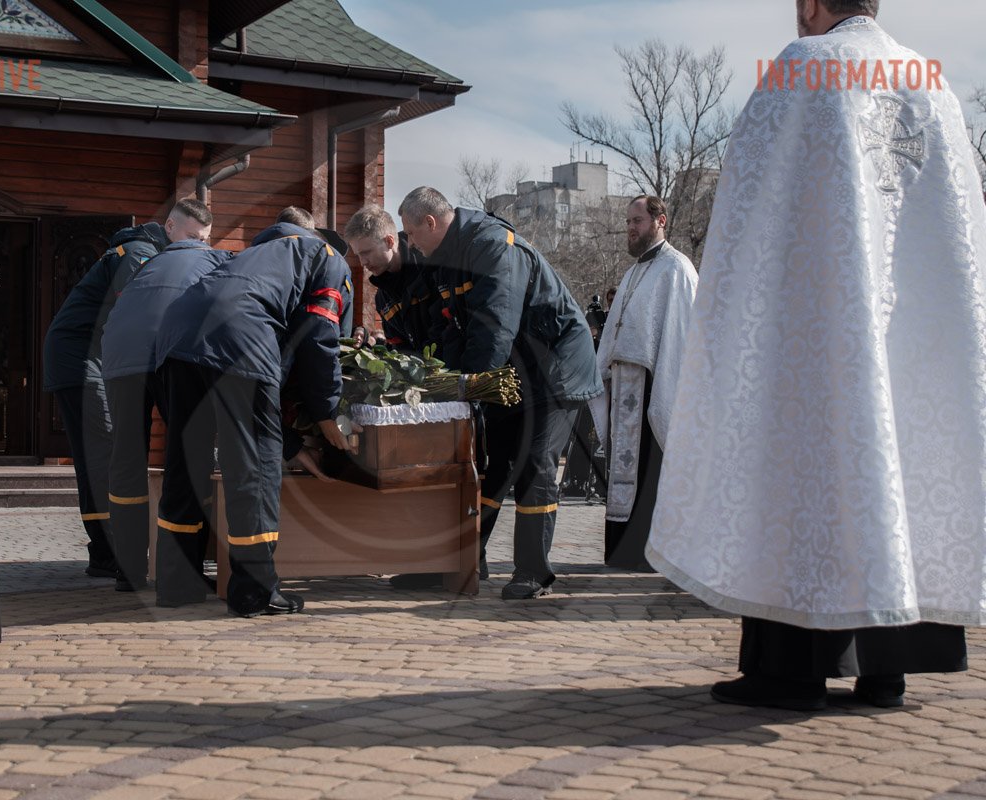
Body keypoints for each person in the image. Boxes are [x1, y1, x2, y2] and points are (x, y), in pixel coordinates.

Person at [647, 0, 984, 711]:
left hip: (821, 324)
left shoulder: (805, 66)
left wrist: (741, 318)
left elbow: (752, 210)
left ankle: (790, 671)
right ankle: (884, 666)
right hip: (914, 337)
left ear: (810, 5)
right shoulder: (932, 84)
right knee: (899, 462)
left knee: (806, 472)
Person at [398, 187, 602, 599]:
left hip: (555, 371)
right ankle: (459, 563)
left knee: (534, 463)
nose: (410, 243)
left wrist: (467, 387)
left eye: (411, 233)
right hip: (515, 373)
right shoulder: (447, 259)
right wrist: (447, 379)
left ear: (431, 223)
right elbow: (450, 327)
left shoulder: (493, 245)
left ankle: (533, 572)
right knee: (491, 465)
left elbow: (494, 325)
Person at [155, 218, 357, 616]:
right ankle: (255, 591)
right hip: (239, 337)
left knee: (186, 463)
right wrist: (326, 413)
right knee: (254, 467)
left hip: (176, 338)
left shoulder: (252, 255)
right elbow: (320, 333)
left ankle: (176, 582)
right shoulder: (329, 257)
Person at [43, 210, 190, 580]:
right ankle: (109, 553)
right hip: (80, 360)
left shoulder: (142, 251)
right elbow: (140, 307)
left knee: (100, 454)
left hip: (87, 358)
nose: (194, 246)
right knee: (103, 455)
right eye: (191, 236)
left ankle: (105, 552)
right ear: (170, 228)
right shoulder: (139, 253)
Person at [100, 199, 227, 595]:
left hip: (120, 356)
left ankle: (129, 570)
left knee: (126, 462)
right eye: (198, 238)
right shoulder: (216, 260)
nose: (202, 244)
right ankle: (181, 572)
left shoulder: (149, 262)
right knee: (188, 457)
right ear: (175, 229)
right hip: (170, 352)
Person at [593, 195, 697, 570]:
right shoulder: (633, 272)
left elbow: (682, 339)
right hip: (625, 388)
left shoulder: (677, 269)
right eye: (628, 222)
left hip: (656, 388)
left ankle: (649, 553)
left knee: (650, 472)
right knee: (625, 473)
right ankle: (623, 549)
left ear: (660, 221)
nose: (630, 228)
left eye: (637, 220)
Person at [344, 204, 444, 355]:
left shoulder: (431, 271)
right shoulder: (382, 299)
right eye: (358, 255)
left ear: (389, 241)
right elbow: (399, 349)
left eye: (366, 252)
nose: (362, 262)